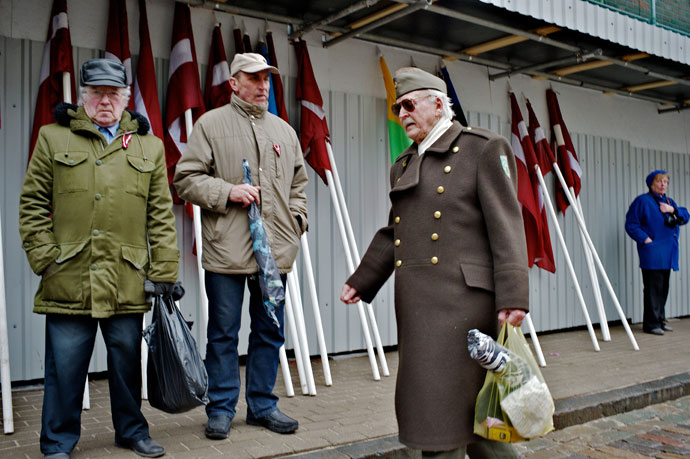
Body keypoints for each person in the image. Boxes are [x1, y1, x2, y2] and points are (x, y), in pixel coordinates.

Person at [340, 67, 529, 458]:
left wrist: (513, 294)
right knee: (455, 409)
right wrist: (364, 277)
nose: (402, 114)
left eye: (409, 104)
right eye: (397, 109)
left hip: (467, 303)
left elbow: (506, 224)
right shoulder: (404, 163)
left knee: (457, 407)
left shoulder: (482, 147)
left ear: (439, 104)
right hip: (419, 305)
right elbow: (398, 229)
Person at [19, 59, 181, 459]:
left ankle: (131, 431)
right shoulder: (53, 138)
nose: (105, 101)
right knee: (66, 368)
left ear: (126, 98)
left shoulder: (150, 145)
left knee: (127, 365)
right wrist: (46, 258)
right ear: (84, 97)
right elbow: (33, 204)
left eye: (114, 94)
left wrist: (163, 271)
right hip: (68, 275)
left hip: (127, 276)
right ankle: (58, 442)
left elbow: (160, 214)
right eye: (97, 93)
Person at [173, 53, 308, 439]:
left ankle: (263, 406)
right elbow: (185, 179)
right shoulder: (210, 125)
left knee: (270, 331)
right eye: (253, 78)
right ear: (234, 83)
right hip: (227, 250)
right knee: (223, 334)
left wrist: (297, 222)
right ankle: (221, 409)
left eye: (266, 78)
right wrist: (227, 191)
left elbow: (299, 185)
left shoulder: (284, 131)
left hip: (276, 253)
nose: (263, 85)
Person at [625, 170, 688, 335]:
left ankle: (660, 319)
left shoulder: (668, 201)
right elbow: (631, 224)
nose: (663, 185)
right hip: (652, 253)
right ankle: (651, 324)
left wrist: (672, 210)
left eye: (665, 182)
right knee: (653, 289)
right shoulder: (643, 201)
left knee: (663, 288)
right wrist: (645, 239)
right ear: (651, 184)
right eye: (659, 182)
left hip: (668, 254)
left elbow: (685, 216)